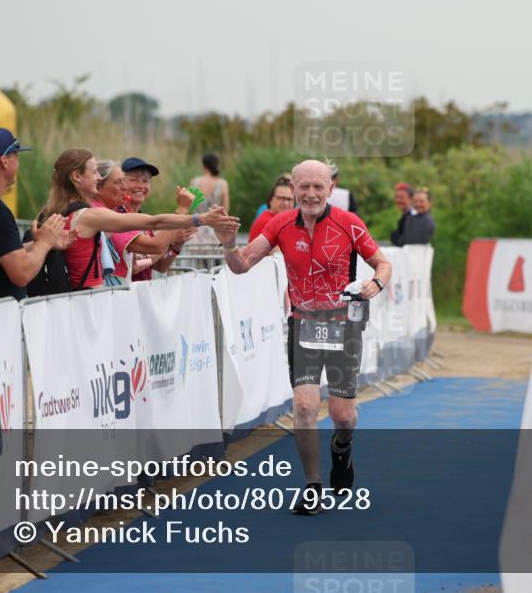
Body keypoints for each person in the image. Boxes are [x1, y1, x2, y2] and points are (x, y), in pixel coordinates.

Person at [214, 159, 392, 515]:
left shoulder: (349, 223)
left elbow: (383, 264)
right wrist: (229, 244)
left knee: (343, 415)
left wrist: (375, 284)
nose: (311, 193)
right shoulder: (281, 224)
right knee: (306, 406)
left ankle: (342, 447)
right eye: (304, 187)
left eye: (318, 186)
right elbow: (241, 265)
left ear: (329, 189)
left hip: (343, 324)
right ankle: (313, 486)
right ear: (293, 189)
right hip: (304, 323)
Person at [37, 149, 239, 289]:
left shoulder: (57, 211)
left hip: (88, 297)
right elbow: (155, 236)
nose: (130, 187)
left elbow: (157, 256)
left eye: (146, 181)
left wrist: (175, 244)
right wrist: (192, 214)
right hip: (90, 299)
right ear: (77, 177)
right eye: (124, 181)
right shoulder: (93, 214)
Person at [0, 127, 73, 303]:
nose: (18, 163)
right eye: (16, 155)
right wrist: (44, 244)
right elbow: (22, 273)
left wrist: (42, 242)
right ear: (4, 161)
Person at [118, 156, 197, 280]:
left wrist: (175, 246)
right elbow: (135, 265)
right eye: (133, 180)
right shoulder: (118, 217)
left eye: (145, 181)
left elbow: (160, 267)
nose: (140, 186)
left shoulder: (144, 220)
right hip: (124, 295)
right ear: (121, 183)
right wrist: (168, 241)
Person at [190, 153, 230, 244]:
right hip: (214, 230)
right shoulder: (222, 183)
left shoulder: (194, 182)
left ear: (203, 165)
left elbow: (189, 207)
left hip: (196, 230)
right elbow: (226, 209)